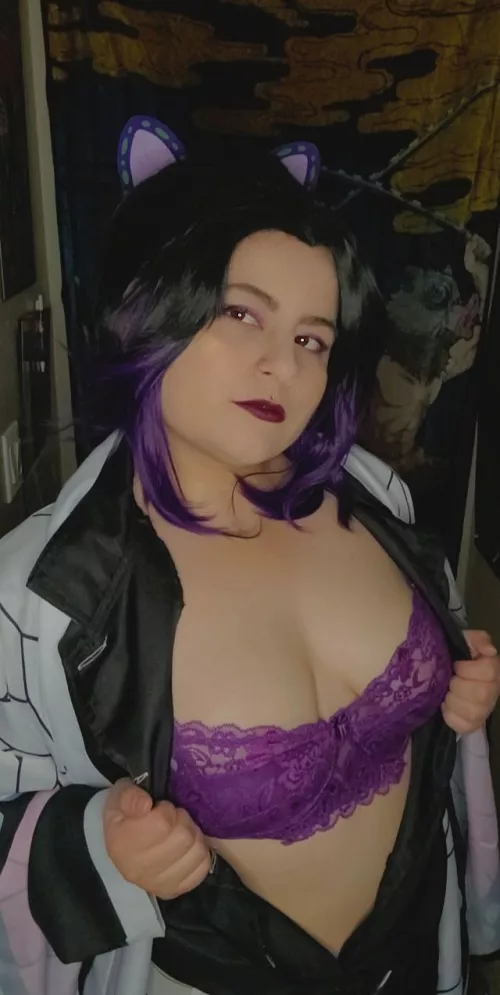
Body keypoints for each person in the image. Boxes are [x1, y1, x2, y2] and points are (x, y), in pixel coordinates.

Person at [0, 118, 498, 995]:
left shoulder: (377, 498)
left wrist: (459, 685)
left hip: (410, 954)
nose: (283, 366)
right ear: (152, 304)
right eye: (241, 313)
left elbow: (432, 707)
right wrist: (96, 841)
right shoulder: (40, 595)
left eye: (312, 338)